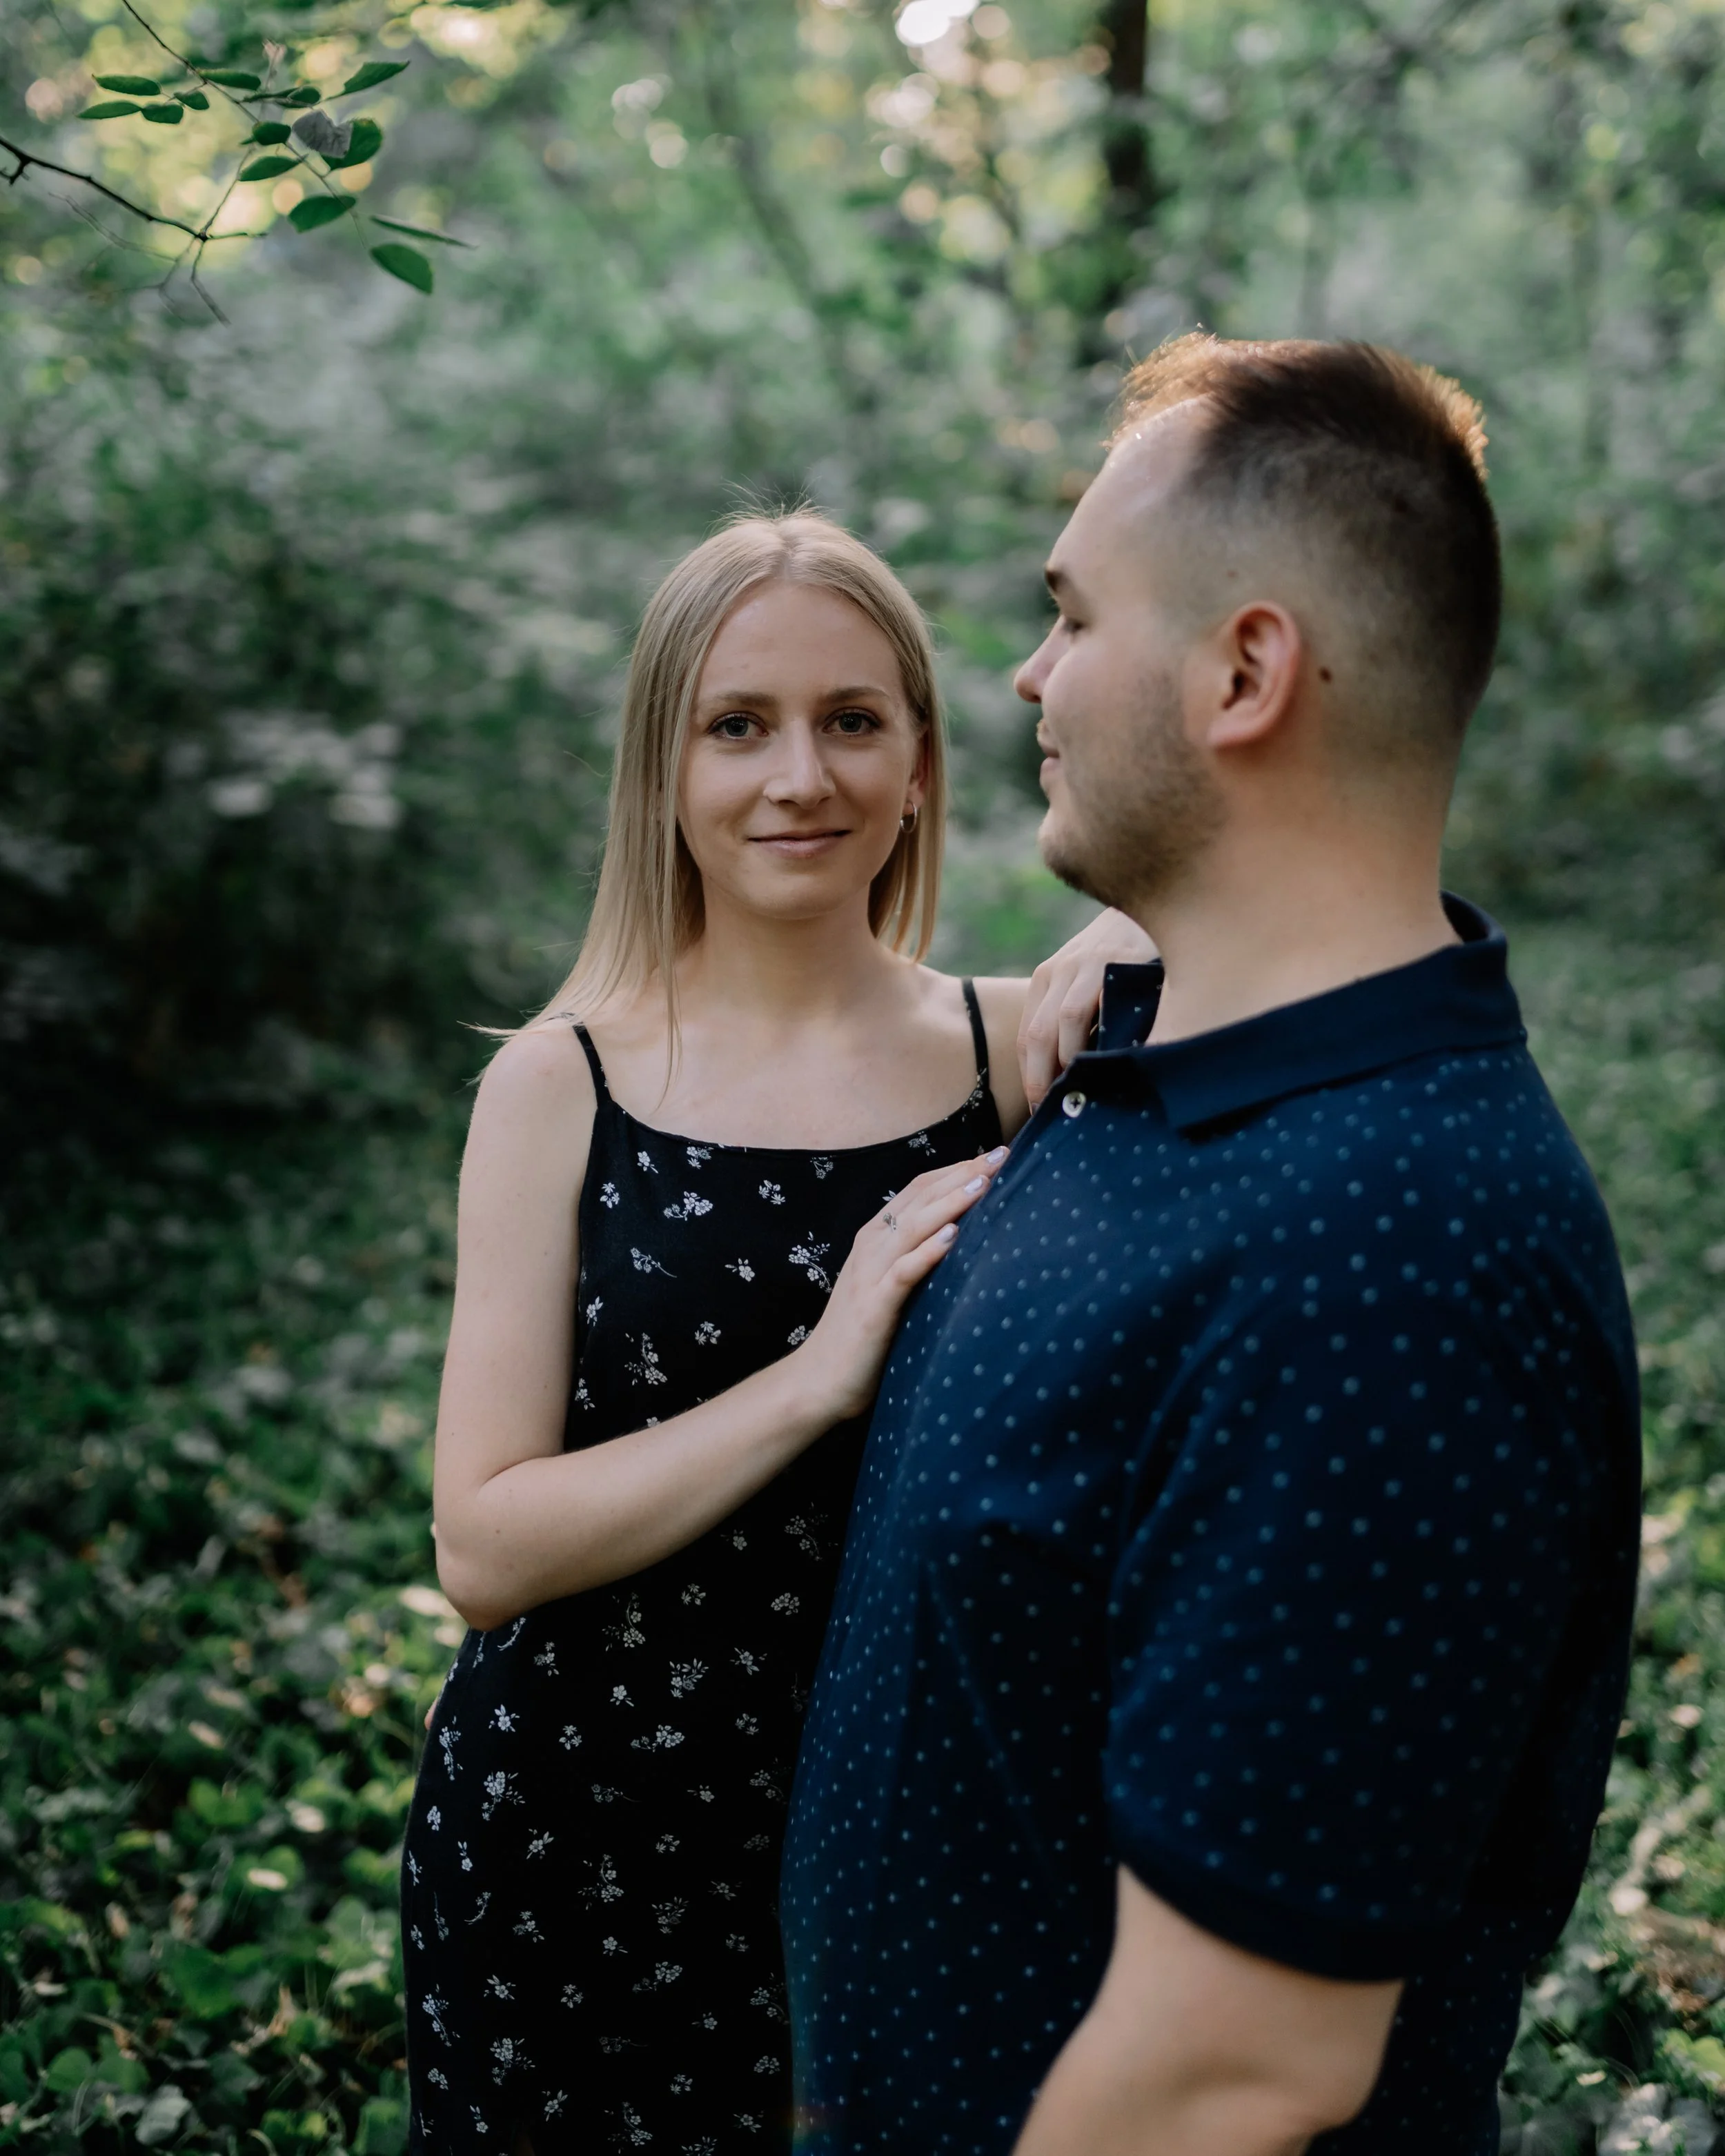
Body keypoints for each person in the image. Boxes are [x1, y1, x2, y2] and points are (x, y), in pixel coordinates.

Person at [781, 337, 1642, 2156]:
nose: (1026, 674)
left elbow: (1227, 2071)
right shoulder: (1170, 1057)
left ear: (1244, 672)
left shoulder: (1390, 1262)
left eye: (1072, 615)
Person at [397, 508, 1150, 2155]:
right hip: (574, 1842)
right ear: (661, 769)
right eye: (736, 725)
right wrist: (812, 1379)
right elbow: (482, 1542)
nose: (798, 777)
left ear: (920, 761)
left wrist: (1146, 927)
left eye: (850, 719)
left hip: (902, 1845)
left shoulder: (1020, 1053)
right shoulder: (560, 1082)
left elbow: (1306, 942)